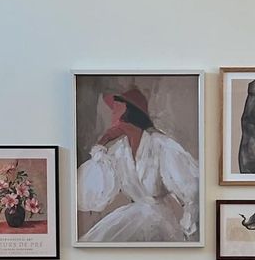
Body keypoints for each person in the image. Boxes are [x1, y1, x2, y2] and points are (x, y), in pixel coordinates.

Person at [77, 87, 199, 243]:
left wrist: (188, 228)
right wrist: (101, 144)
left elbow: (192, 189)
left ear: (129, 111)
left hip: (161, 222)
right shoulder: (119, 150)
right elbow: (94, 193)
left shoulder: (161, 145)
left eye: (116, 107)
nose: (112, 112)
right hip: (134, 217)